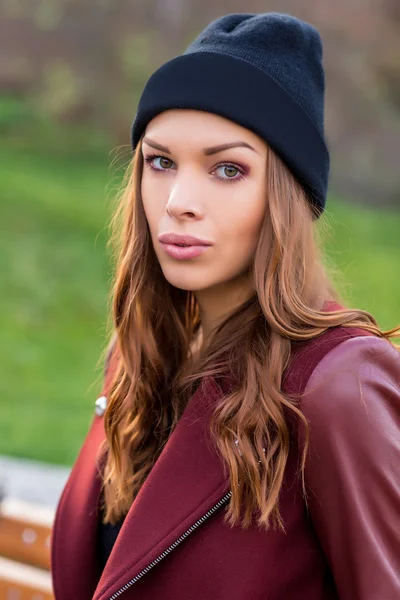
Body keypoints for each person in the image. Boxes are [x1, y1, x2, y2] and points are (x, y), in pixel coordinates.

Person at [50, 12, 400, 600]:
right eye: (160, 162)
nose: (179, 202)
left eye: (228, 169)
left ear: (285, 197)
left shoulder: (336, 387)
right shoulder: (138, 356)